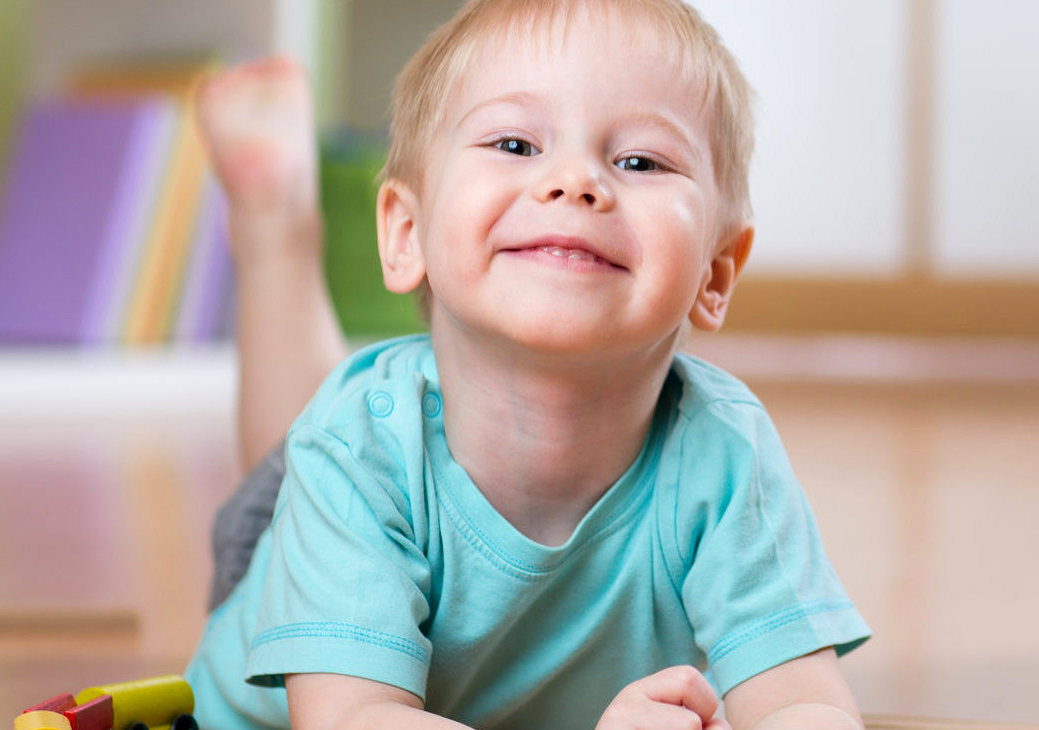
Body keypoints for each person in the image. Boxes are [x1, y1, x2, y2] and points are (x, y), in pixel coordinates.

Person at [182, 2, 871, 728]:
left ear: (716, 273)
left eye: (639, 161)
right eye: (514, 144)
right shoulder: (355, 452)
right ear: (408, 234)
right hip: (296, 611)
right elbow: (354, 717)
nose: (576, 181)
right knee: (285, 463)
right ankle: (275, 219)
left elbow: (803, 700)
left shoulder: (725, 457)